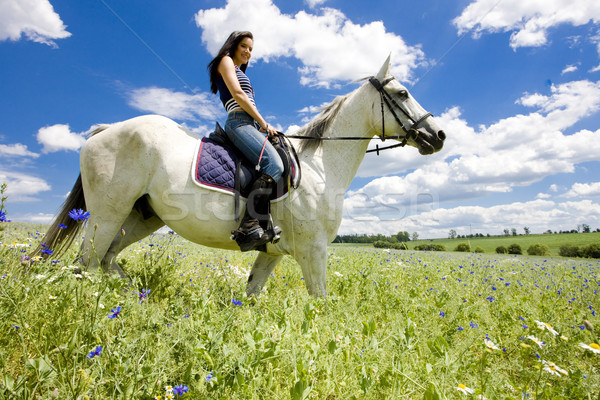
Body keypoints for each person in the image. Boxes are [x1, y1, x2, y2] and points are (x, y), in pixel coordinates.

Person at [208, 31, 284, 252]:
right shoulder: (225, 61)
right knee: (274, 164)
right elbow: (239, 95)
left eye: (251, 49)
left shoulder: (240, 70)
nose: (248, 52)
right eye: (244, 46)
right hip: (239, 123)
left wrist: (264, 127)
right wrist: (264, 123)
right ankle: (249, 226)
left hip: (249, 124)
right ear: (232, 46)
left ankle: (262, 222)